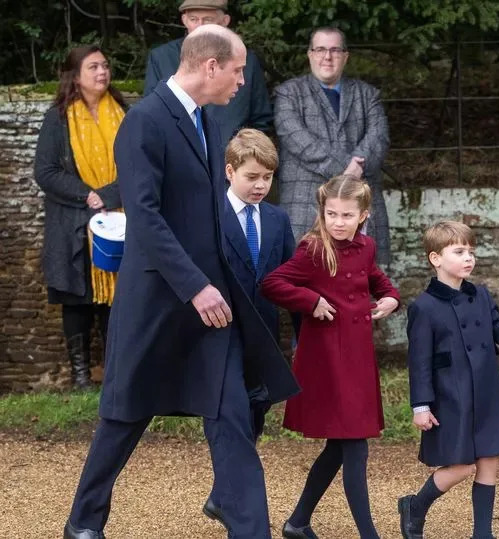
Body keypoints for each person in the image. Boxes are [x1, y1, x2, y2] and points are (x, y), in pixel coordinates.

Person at [63, 25, 298, 539]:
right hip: (157, 301)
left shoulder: (209, 123)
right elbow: (145, 218)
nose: (242, 81)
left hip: (212, 303)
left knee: (233, 412)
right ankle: (83, 523)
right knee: (126, 415)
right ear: (210, 66)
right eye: (237, 71)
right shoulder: (144, 122)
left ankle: (248, 528)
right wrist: (194, 286)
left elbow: (212, 215)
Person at [397, 221, 499, 539]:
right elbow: (418, 361)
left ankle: (483, 533)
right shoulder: (423, 307)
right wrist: (421, 405)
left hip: (487, 391)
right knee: (460, 466)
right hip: (451, 396)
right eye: (459, 251)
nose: (468, 258)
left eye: (471, 252)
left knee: (489, 460)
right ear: (435, 258)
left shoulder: (482, 296)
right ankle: (416, 506)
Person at [261, 175, 400, 539]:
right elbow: (273, 283)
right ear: (322, 212)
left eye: (346, 215)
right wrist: (311, 301)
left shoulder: (367, 247)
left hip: (358, 357)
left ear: (363, 215)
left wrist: (390, 298)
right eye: (331, 214)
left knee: (340, 447)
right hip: (327, 360)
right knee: (355, 446)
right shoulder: (312, 249)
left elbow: (376, 279)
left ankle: (297, 522)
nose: (338, 222)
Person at [203, 127, 298, 526]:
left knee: (257, 410)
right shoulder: (208, 217)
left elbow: (291, 279)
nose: (261, 185)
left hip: (264, 337)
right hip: (219, 335)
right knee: (230, 417)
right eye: (252, 177)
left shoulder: (277, 219)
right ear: (229, 171)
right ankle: (239, 509)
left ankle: (221, 497)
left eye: (267, 177)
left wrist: (300, 336)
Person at [34, 45, 126, 389]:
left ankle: (114, 373)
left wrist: (108, 195)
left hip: (118, 219)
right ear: (75, 76)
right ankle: (80, 377)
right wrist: (86, 194)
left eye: (105, 65)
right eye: (93, 67)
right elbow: (46, 171)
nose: (102, 72)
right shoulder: (57, 117)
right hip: (71, 222)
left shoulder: (125, 114)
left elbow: (138, 164)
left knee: (116, 300)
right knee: (77, 299)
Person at [274, 26, 392, 265]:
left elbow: (378, 137)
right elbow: (296, 139)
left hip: (360, 205)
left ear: (345, 56)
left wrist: (357, 166)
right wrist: (348, 170)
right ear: (309, 54)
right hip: (305, 203)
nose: (327, 57)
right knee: (306, 284)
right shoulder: (288, 93)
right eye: (320, 49)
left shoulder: (368, 94)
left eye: (335, 50)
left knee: (362, 281)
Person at [143, 0, 273, 147]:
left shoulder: (246, 60)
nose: (200, 26)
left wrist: (245, 156)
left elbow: (261, 119)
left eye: (208, 20)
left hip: (234, 159)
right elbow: (153, 112)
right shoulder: (162, 57)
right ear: (184, 20)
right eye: (193, 19)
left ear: (225, 21)